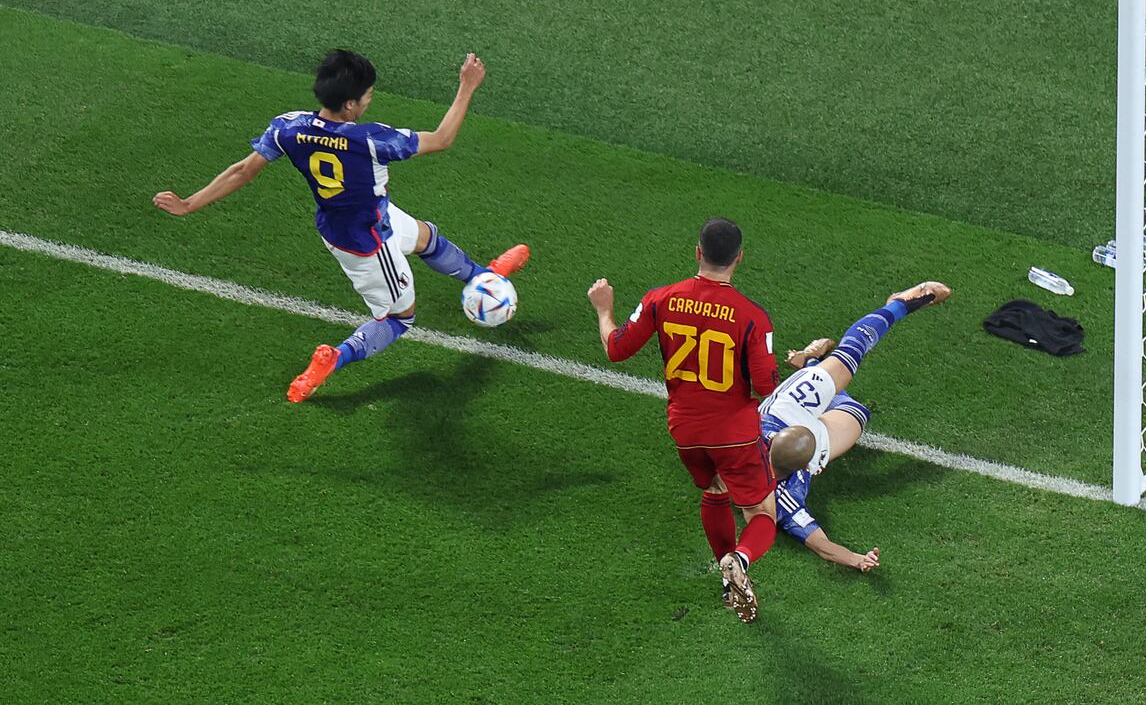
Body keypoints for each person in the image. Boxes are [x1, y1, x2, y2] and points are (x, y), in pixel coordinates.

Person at [153, 50, 529, 402]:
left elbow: (243, 171)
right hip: (368, 242)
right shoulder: (371, 140)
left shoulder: (289, 127)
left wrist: (189, 204)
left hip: (356, 219)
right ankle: (335, 358)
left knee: (425, 237)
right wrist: (467, 86)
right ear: (350, 104)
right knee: (400, 318)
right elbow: (442, 139)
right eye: (367, 95)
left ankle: (484, 276)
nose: (370, 100)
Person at [587, 217, 780, 624]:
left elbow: (616, 349)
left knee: (714, 488)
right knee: (762, 512)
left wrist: (604, 310)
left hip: (686, 431)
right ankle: (740, 560)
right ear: (739, 258)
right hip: (734, 433)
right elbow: (766, 386)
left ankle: (729, 582)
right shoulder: (751, 317)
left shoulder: (661, 299)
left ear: (697, 252)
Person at [760, 281, 952, 570]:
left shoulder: (744, 443)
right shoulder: (783, 499)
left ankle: (898, 305)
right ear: (807, 466)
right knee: (856, 412)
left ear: (774, 440)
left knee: (850, 355)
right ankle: (812, 362)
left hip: (783, 410)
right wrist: (857, 560)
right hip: (786, 417)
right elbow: (821, 545)